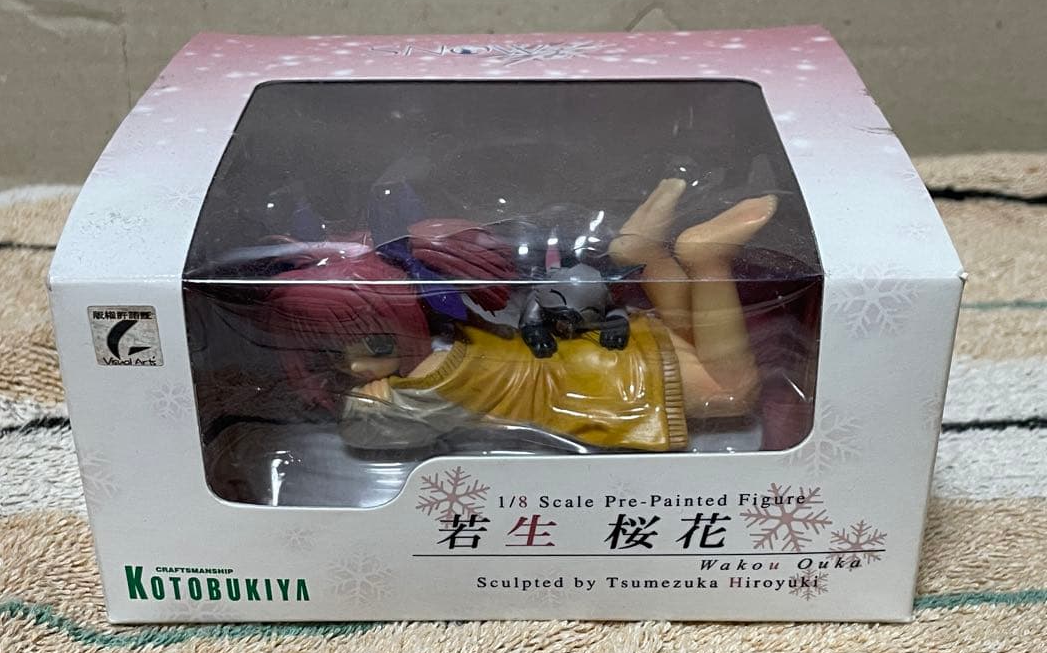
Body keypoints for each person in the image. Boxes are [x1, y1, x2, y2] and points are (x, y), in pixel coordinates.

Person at [265, 178, 777, 452]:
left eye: (374, 346)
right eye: (336, 354)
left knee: (732, 390)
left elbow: (369, 431)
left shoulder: (421, 388)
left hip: (605, 386)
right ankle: (645, 253)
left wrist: (364, 401)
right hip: (593, 355)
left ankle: (706, 259)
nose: (355, 368)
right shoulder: (449, 326)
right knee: (690, 336)